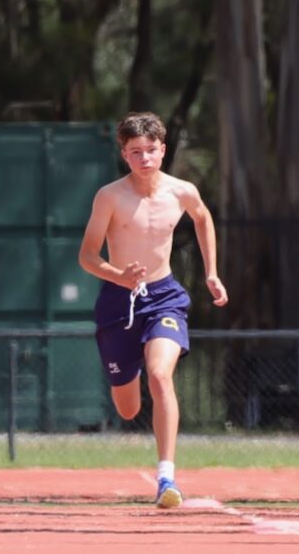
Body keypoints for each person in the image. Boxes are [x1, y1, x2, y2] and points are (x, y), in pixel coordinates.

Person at [79, 112, 228, 508]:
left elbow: (203, 218)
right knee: (128, 409)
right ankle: (127, 372)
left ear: (163, 150)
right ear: (124, 154)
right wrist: (117, 274)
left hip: (164, 295)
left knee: (161, 375)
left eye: (150, 150)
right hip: (118, 300)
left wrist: (211, 272)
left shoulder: (181, 192)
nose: (144, 158)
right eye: (135, 152)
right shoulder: (109, 196)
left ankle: (167, 479)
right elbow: (87, 257)